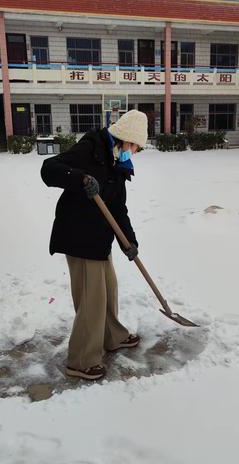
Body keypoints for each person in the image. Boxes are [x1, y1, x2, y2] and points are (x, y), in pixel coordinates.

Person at [40, 109, 148, 381]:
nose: (133, 152)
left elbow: (118, 208)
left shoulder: (118, 164)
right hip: (78, 236)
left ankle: (112, 336)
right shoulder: (92, 147)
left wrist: (130, 242)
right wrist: (80, 179)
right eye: (134, 146)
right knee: (92, 300)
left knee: (109, 290)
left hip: (99, 238)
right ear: (124, 138)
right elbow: (49, 169)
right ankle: (81, 360)